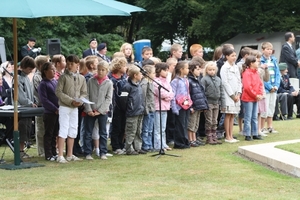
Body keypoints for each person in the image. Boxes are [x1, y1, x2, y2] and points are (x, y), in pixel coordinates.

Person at [55, 55, 87, 163]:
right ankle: (60, 155)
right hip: (65, 106)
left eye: (71, 64)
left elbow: (84, 92)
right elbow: (59, 92)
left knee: (73, 129)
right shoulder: (63, 77)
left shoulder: (81, 78)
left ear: (77, 65)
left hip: (75, 107)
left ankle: (70, 154)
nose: (69, 66)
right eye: (67, 63)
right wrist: (70, 100)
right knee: (63, 129)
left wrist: (80, 100)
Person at [83, 60, 113, 160]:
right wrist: (89, 109)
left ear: (107, 71)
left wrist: (100, 110)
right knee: (88, 132)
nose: (100, 72)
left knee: (103, 133)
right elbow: (86, 95)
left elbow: (108, 98)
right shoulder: (91, 81)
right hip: (91, 111)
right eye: (99, 70)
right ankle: (88, 152)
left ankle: (103, 152)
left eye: (103, 70)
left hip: (102, 111)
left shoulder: (109, 83)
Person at [38, 62, 59, 161]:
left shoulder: (55, 81)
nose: (54, 71)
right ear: (45, 71)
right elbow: (44, 100)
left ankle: (54, 152)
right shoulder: (43, 84)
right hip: (50, 113)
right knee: (49, 134)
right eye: (52, 69)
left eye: (54, 69)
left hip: (58, 111)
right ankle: (48, 154)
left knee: (55, 133)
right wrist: (54, 108)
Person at [122, 65, 145, 155]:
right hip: (132, 112)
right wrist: (129, 108)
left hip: (139, 111)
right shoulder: (127, 87)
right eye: (140, 74)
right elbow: (123, 101)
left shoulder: (138, 85)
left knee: (138, 131)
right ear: (135, 75)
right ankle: (129, 148)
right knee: (131, 131)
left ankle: (138, 147)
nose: (142, 75)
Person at [17, 56, 37, 158]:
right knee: (23, 129)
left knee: (28, 128)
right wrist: (29, 103)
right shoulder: (18, 78)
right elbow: (21, 96)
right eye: (29, 69)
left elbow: (31, 93)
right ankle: (20, 151)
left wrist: (34, 101)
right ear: (24, 67)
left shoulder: (27, 78)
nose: (30, 71)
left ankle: (23, 149)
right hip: (21, 109)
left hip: (28, 109)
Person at [220, 48, 241, 143]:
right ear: (227, 56)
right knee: (228, 115)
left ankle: (231, 135)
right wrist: (232, 95)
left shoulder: (236, 67)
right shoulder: (224, 68)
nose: (234, 57)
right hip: (228, 95)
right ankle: (227, 136)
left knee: (233, 115)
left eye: (235, 55)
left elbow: (239, 81)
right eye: (232, 56)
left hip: (236, 94)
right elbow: (225, 83)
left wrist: (239, 93)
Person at [201, 61, 225, 145]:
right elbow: (202, 92)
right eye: (210, 70)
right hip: (208, 102)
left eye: (213, 70)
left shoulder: (218, 79)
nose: (212, 71)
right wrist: (203, 104)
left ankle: (214, 136)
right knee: (209, 120)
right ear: (206, 70)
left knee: (215, 120)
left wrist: (223, 104)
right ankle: (209, 137)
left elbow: (222, 92)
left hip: (216, 103)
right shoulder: (204, 79)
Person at [241, 56, 264, 141]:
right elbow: (247, 87)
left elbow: (260, 84)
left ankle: (255, 133)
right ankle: (247, 134)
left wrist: (260, 94)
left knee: (254, 116)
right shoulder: (247, 73)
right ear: (251, 63)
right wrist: (255, 95)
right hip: (248, 98)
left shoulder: (256, 72)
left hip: (255, 98)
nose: (258, 63)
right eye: (256, 62)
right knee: (248, 116)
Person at [108, 57, 128, 155]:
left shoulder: (124, 79)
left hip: (123, 106)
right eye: (124, 66)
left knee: (123, 127)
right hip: (116, 107)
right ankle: (115, 146)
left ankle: (121, 144)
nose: (126, 68)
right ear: (119, 67)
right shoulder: (112, 79)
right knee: (116, 127)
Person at [153, 63, 174, 151]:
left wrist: (169, 96)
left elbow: (171, 93)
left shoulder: (166, 81)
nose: (166, 72)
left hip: (165, 107)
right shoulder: (156, 81)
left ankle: (163, 144)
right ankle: (158, 145)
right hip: (158, 107)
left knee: (163, 128)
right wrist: (168, 95)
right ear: (159, 70)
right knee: (158, 128)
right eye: (164, 70)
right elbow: (161, 93)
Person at [260, 42, 280, 134]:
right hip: (266, 89)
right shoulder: (260, 61)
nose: (269, 51)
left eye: (270, 49)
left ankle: (270, 126)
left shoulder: (274, 60)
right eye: (267, 49)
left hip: (274, 87)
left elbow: (277, 74)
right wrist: (269, 87)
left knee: (272, 107)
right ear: (263, 50)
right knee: (265, 107)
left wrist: (276, 85)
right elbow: (262, 77)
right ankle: (262, 127)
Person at [187, 61, 208, 146]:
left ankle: (194, 138)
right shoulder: (189, 81)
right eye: (197, 69)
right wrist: (190, 106)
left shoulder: (197, 80)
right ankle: (190, 140)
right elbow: (188, 95)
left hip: (199, 106)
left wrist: (204, 105)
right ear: (192, 70)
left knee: (196, 124)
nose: (199, 71)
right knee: (191, 124)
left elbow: (201, 93)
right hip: (193, 106)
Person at [171, 61, 191, 149]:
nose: (188, 70)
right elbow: (173, 95)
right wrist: (174, 108)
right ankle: (179, 143)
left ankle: (185, 140)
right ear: (181, 70)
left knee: (185, 124)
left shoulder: (186, 80)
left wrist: (190, 104)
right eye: (187, 68)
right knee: (180, 125)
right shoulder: (175, 81)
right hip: (179, 107)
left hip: (186, 105)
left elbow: (188, 93)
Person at [33, 55, 50, 157]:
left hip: (48, 106)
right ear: (40, 65)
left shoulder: (46, 76)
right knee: (40, 129)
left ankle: (48, 148)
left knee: (48, 128)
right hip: (40, 105)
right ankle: (41, 150)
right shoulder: (37, 77)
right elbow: (39, 93)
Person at [250, 50, 269, 137]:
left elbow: (266, 79)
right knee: (254, 113)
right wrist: (261, 68)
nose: (259, 59)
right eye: (257, 57)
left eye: (259, 58)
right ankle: (253, 130)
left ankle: (259, 129)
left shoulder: (260, 67)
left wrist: (266, 69)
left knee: (260, 112)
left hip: (261, 91)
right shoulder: (253, 68)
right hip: (254, 93)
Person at [236, 47, 251, 135]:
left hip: (248, 89)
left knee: (247, 110)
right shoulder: (239, 65)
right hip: (242, 88)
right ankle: (240, 129)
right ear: (246, 55)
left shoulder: (250, 64)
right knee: (241, 110)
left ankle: (247, 128)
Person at [140, 65, 156, 152]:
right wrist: (145, 110)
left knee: (150, 129)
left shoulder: (151, 83)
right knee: (145, 129)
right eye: (153, 73)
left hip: (152, 109)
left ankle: (149, 145)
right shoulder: (144, 83)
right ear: (148, 73)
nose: (155, 74)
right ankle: (145, 145)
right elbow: (143, 98)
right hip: (147, 109)